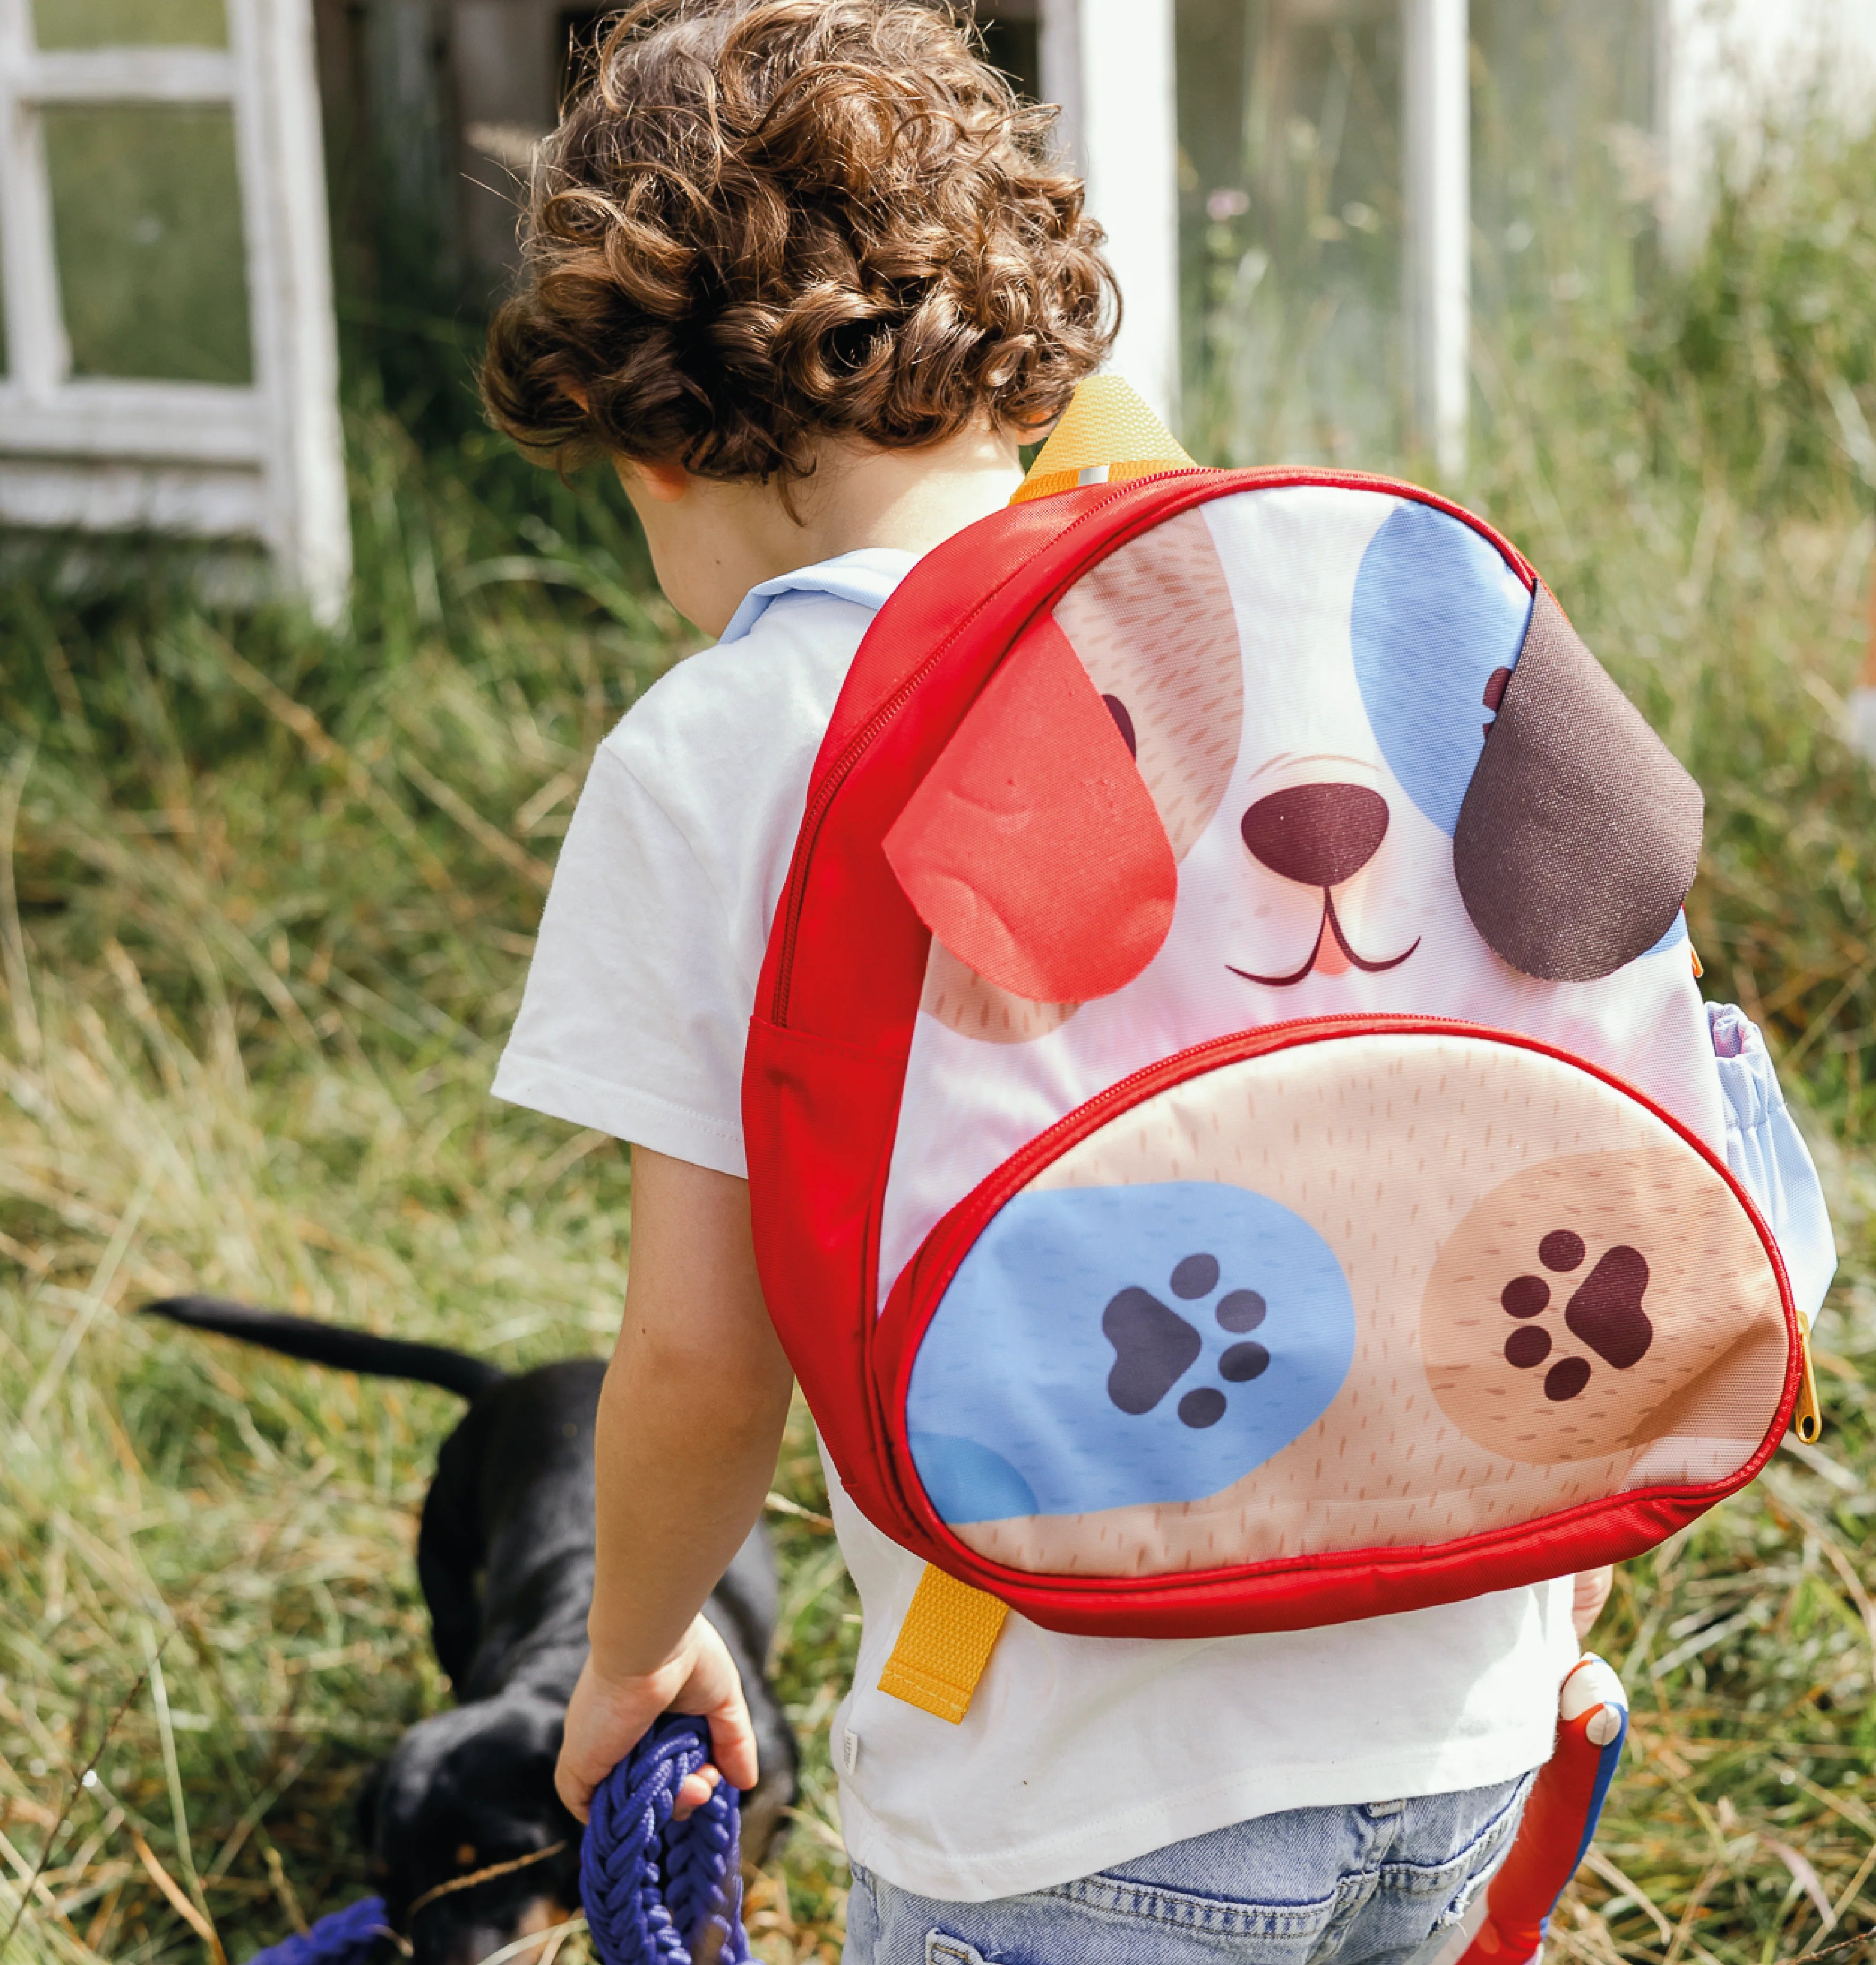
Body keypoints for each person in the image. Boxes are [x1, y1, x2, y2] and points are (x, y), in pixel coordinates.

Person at [480, 3, 1627, 1958]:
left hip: (1073, 1789)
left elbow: (698, 1352)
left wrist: (633, 1652)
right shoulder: (1306, 623)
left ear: (652, 443)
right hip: (1465, 1693)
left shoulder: (723, 743)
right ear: (1022, 355)